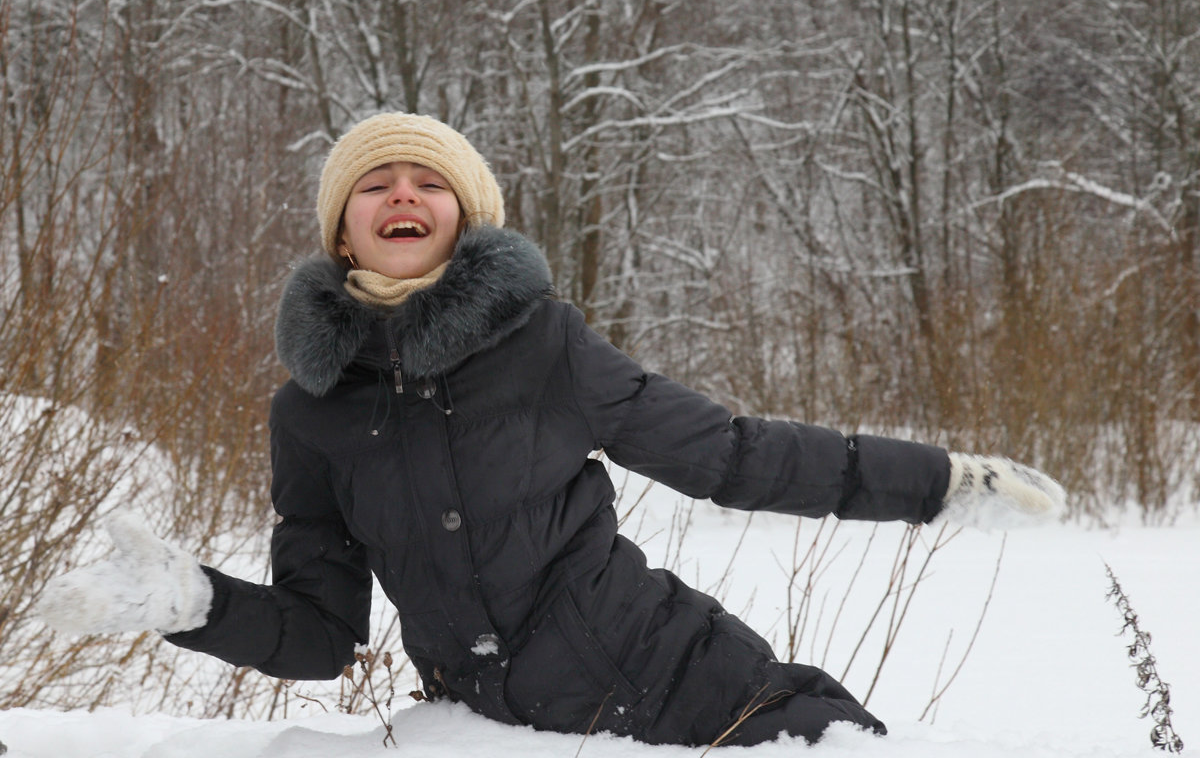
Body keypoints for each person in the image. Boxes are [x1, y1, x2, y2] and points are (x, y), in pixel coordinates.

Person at [35, 112, 1065, 746]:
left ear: (462, 214)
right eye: (376, 183)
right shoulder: (311, 415)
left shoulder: (546, 345)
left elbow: (731, 454)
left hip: (695, 687)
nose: (403, 192)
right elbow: (321, 635)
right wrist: (194, 603)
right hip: (493, 732)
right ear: (342, 227)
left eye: (429, 179)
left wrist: (938, 481)